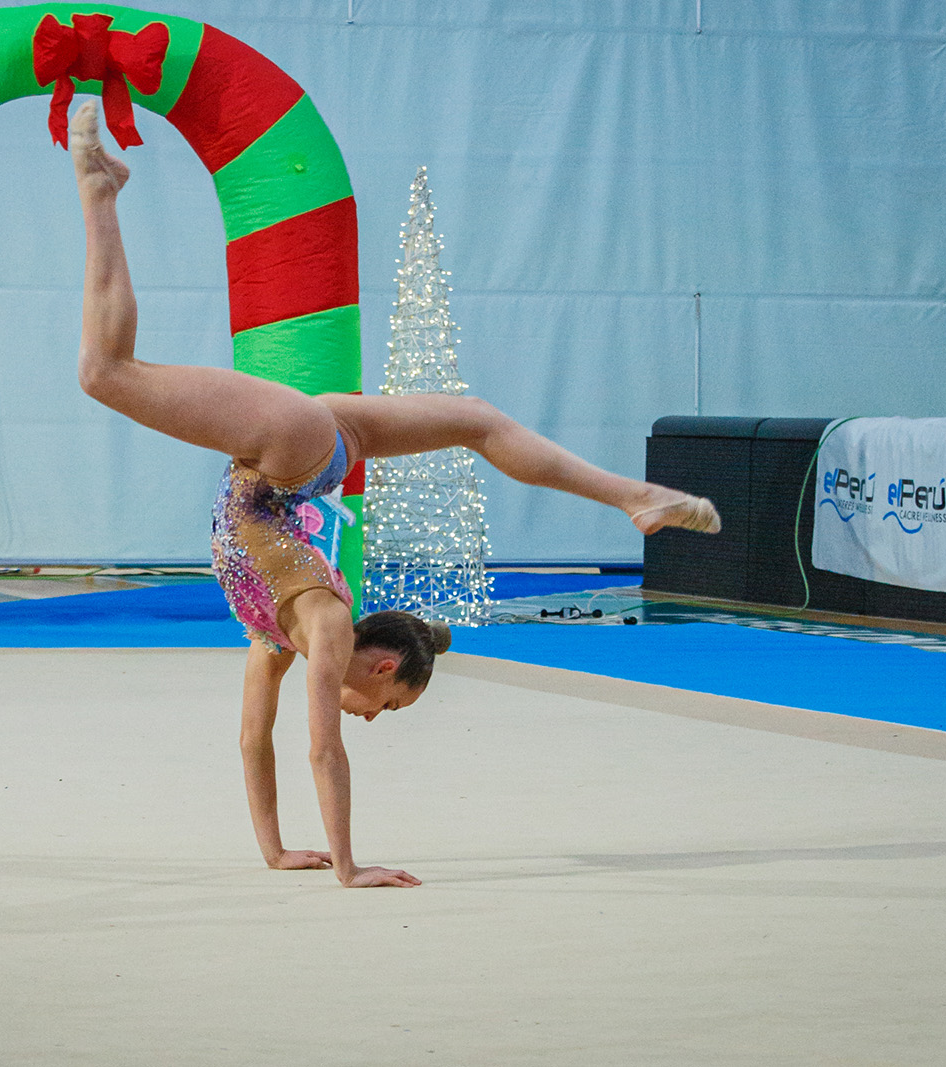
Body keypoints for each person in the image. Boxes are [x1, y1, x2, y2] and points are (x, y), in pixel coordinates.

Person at [68, 102, 720, 888]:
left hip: (306, 452)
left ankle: (633, 497)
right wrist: (348, 867)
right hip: (289, 453)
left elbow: (253, 739)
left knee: (478, 421)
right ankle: (99, 190)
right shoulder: (326, 625)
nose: (375, 719)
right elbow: (323, 749)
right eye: (391, 705)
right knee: (105, 372)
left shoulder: (278, 636)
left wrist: (275, 850)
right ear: (381, 666)